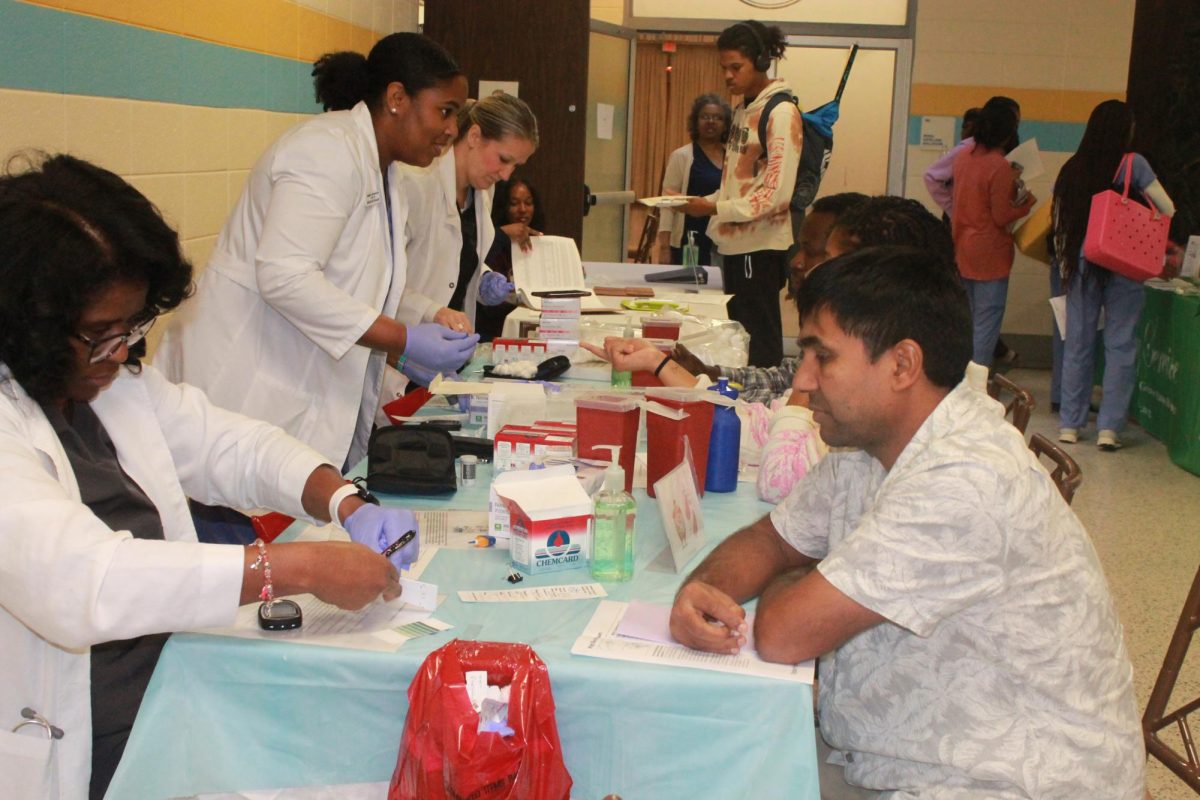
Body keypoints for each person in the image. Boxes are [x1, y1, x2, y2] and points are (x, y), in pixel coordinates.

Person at [0, 154, 423, 800]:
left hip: (170, 704)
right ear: (31, 321)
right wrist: (294, 569)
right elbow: (84, 580)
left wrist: (341, 499)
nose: (122, 354)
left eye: (130, 330)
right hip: (65, 745)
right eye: (101, 335)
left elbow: (229, 446)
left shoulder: (106, 387)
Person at [669, 246, 1146, 798]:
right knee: (696, 764)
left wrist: (803, 575)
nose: (803, 379)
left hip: (1004, 782)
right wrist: (702, 591)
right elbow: (772, 539)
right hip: (894, 756)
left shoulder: (965, 476)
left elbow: (782, 633)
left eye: (821, 356)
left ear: (902, 365)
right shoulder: (865, 445)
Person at [155, 33, 479, 472]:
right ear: (397, 98)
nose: (451, 130)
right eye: (445, 111)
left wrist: (405, 349)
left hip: (301, 389)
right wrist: (401, 339)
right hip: (245, 382)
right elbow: (285, 277)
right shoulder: (326, 151)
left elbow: (356, 288)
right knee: (236, 512)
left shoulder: (387, 177)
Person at [1053, 100, 1176, 450]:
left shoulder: (1073, 166)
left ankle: (1070, 425)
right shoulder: (1132, 163)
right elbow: (1166, 206)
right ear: (1125, 129)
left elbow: (1060, 218)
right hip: (1125, 258)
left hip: (1083, 259)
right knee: (1121, 344)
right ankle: (1109, 429)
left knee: (1077, 342)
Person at [681, 20, 802, 367]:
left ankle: (763, 409)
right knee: (737, 338)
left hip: (760, 246)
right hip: (733, 243)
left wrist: (715, 208)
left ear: (761, 62)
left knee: (758, 342)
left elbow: (775, 195)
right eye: (725, 69)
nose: (728, 77)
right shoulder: (742, 111)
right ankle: (740, 404)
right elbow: (736, 182)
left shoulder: (780, 113)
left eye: (736, 67)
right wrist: (703, 203)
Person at [396, 93, 539, 350]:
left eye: (515, 166)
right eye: (504, 160)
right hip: (405, 346)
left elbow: (454, 260)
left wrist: (482, 278)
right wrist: (433, 311)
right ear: (474, 136)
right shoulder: (415, 183)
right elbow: (382, 283)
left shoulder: (483, 189)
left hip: (450, 347)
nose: (506, 175)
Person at [951, 100, 1035, 368]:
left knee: (969, 318)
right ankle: (975, 387)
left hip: (963, 245)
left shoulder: (963, 157)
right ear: (1008, 131)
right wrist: (1025, 206)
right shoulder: (998, 166)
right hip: (990, 253)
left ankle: (961, 381)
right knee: (987, 323)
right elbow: (1001, 216)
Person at [656, 93, 731, 267]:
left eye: (718, 118)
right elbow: (667, 203)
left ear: (726, 124)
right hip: (690, 240)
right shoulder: (681, 156)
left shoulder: (733, 159)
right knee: (690, 290)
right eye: (705, 116)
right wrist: (664, 248)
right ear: (695, 122)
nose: (711, 121)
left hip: (723, 243)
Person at [475, 176, 545, 341]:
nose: (522, 209)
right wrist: (502, 234)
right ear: (503, 207)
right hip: (491, 329)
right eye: (514, 204)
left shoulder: (540, 240)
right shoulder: (490, 239)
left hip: (530, 325)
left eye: (528, 203)